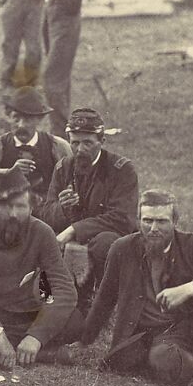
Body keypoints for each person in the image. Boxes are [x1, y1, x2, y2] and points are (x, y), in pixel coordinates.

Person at [80, 189, 193, 386]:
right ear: (138, 220)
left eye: (161, 221)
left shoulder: (191, 245)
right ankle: (189, 365)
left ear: (175, 221)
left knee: (165, 358)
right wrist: (84, 340)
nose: (153, 228)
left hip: (180, 334)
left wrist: (188, 289)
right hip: (137, 336)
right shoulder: (122, 248)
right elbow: (104, 299)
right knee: (146, 359)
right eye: (147, 221)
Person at [0, 169, 80, 369]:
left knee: (75, 320)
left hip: (23, 314)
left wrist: (36, 336)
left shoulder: (42, 233)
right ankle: (45, 354)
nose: (13, 214)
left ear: (31, 208)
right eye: (6, 205)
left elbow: (63, 288)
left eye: (20, 206)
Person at [36, 107, 138, 311]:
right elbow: (46, 213)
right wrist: (62, 208)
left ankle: (104, 304)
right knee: (39, 242)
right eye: (74, 142)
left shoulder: (121, 170)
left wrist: (74, 230)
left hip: (106, 238)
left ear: (102, 141)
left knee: (105, 243)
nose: (80, 149)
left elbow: (122, 218)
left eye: (88, 143)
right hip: (70, 239)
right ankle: (48, 304)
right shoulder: (63, 167)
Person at [0, 86, 72, 208]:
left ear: (39, 119)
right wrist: (8, 174)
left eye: (27, 119)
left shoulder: (57, 145)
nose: (21, 125)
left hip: (46, 212)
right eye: (16, 118)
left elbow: (73, 179)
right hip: (7, 212)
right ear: (9, 117)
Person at [41, 0, 90, 136]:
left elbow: (73, 4)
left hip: (66, 26)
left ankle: (59, 131)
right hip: (51, 25)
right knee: (60, 78)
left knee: (52, 78)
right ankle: (64, 128)